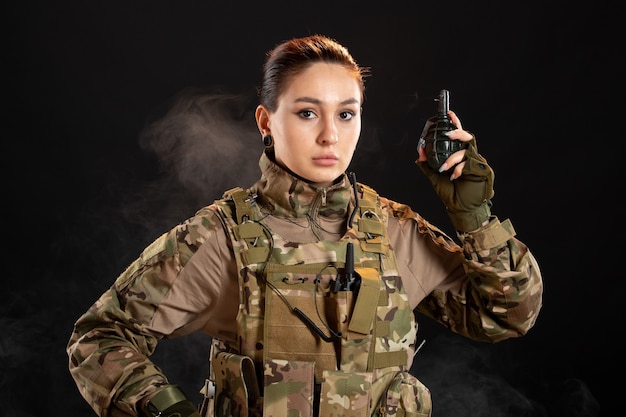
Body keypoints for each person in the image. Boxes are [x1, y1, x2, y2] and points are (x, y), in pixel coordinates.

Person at [67, 34, 543, 417]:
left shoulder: (394, 230)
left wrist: (474, 219)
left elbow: (505, 316)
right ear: (266, 121)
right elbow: (99, 337)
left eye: (347, 114)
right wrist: (167, 410)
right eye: (307, 112)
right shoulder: (221, 237)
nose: (330, 135)